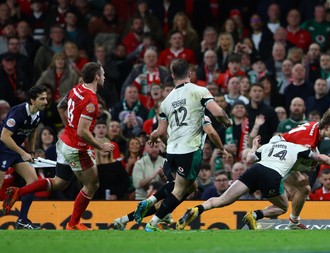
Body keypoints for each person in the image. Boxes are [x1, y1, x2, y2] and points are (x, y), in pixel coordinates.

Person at [2, 62, 115, 230]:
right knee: (92, 185)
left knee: (59, 183)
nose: (104, 77)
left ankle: (19, 192)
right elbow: (83, 132)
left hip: (63, 142)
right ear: (97, 77)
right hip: (77, 148)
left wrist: (68, 127)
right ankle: (73, 223)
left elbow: (60, 106)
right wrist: (100, 146)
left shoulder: (76, 89)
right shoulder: (91, 100)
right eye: (103, 74)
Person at [135, 59, 231, 232]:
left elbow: (160, 131)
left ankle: (150, 201)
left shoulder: (166, 101)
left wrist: (153, 137)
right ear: (190, 74)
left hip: (171, 150)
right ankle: (153, 224)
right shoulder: (199, 91)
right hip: (190, 148)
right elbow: (218, 112)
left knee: (183, 186)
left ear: (172, 76)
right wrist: (227, 121)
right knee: (180, 190)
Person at [175, 135, 330, 230]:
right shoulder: (296, 147)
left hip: (255, 170)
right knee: (283, 207)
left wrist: (253, 146)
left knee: (223, 200)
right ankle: (254, 215)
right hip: (271, 175)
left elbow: (249, 158)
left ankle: (197, 209)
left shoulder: (266, 147)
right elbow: (319, 158)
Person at [112, 114, 227, 230]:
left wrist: (167, 144)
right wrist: (222, 148)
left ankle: (124, 220)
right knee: (177, 191)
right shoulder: (201, 116)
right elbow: (211, 132)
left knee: (191, 187)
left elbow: (159, 133)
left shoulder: (174, 113)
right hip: (187, 155)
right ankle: (153, 218)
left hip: (170, 156)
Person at [280, 110, 330, 229]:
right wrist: (329, 160)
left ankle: (294, 223)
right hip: (279, 158)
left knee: (302, 189)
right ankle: (257, 215)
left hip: (283, 154)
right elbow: (303, 155)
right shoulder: (308, 140)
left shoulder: (315, 126)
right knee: (284, 203)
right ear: (327, 127)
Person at [0, 85, 48, 229]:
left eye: (46, 98)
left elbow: (32, 132)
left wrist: (31, 151)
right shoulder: (18, 112)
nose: (46, 102)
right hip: (2, 148)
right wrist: (23, 153)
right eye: (42, 99)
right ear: (32, 100)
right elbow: (4, 137)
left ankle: (22, 220)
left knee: (33, 182)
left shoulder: (38, 114)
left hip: (16, 149)